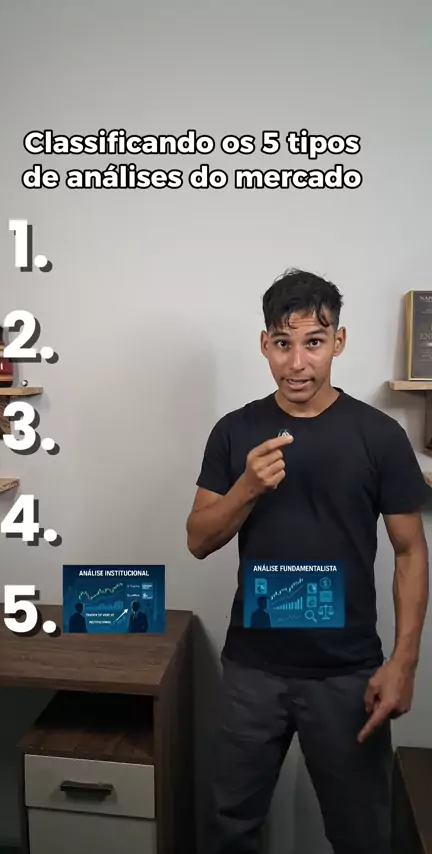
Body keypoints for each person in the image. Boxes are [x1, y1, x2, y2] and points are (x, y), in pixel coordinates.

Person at [186, 269, 429, 854]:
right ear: (264, 344)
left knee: (362, 834)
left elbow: (410, 551)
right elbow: (198, 539)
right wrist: (246, 488)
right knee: (227, 828)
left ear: (337, 342)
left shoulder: (378, 435)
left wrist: (404, 663)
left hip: (347, 674)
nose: (297, 363)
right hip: (252, 668)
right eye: (283, 343)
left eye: (313, 342)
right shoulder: (235, 431)